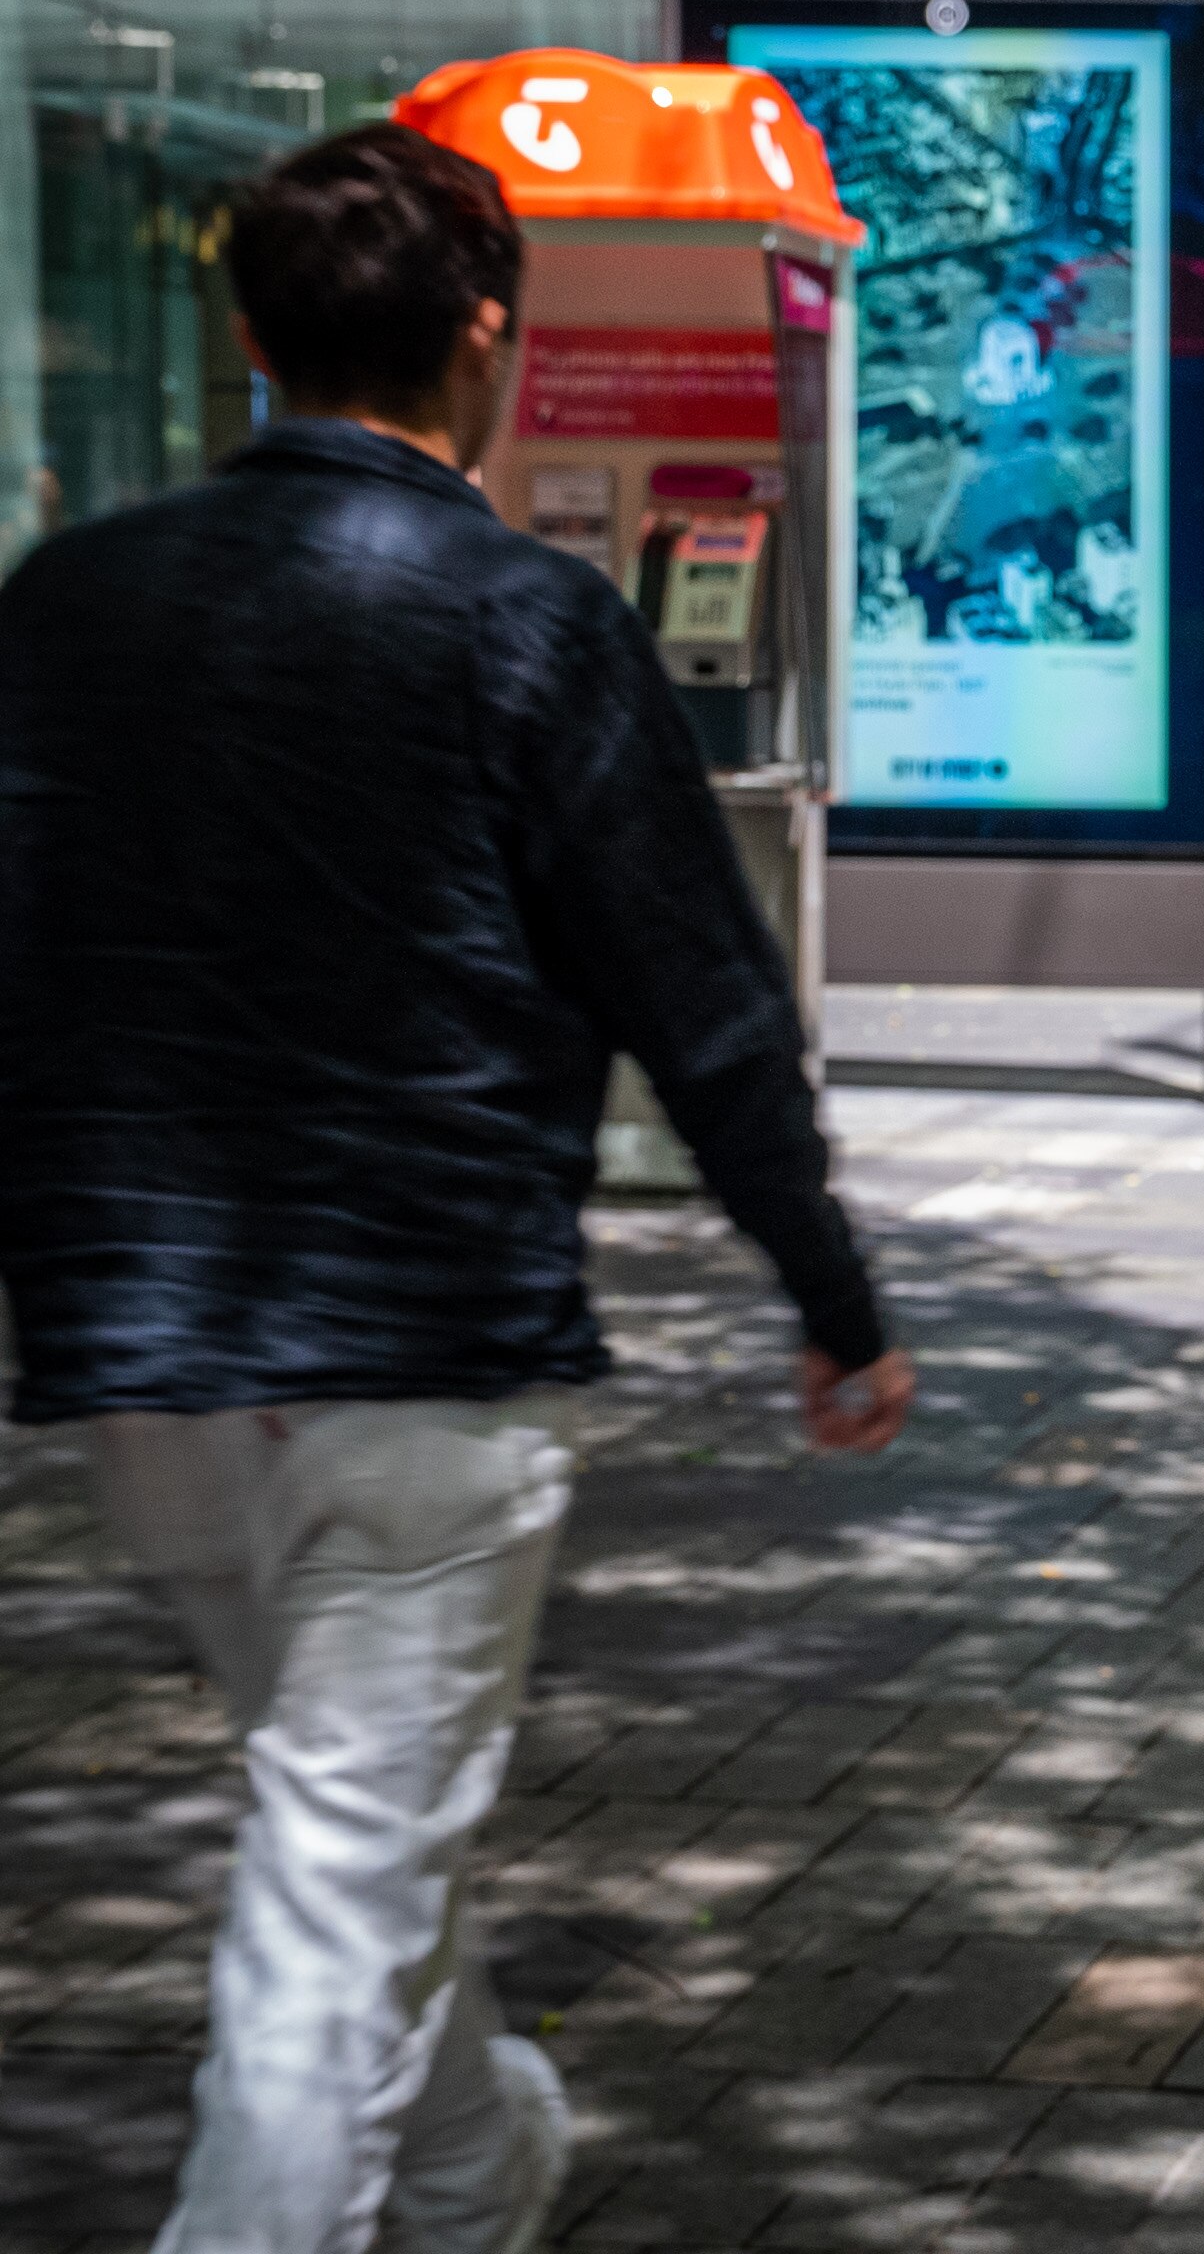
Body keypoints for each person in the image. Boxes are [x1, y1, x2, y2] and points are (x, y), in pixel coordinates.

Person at [0, 124, 912, 2254]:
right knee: (334, 1884)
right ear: (489, 340)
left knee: (348, 1829)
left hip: (148, 1356)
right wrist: (831, 1290)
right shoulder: (527, 618)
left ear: (245, 336)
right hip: (423, 1345)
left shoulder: (63, 603)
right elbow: (701, 1001)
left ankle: (485, 2167)